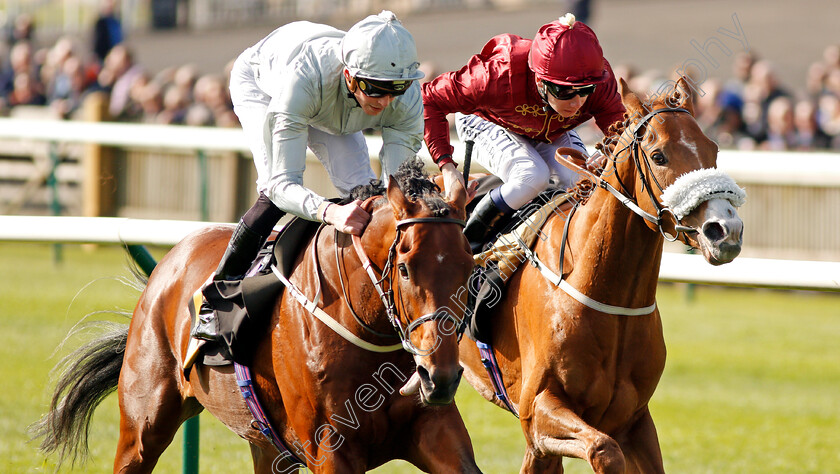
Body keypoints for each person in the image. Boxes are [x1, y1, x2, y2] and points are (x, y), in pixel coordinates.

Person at [192, 11, 426, 341]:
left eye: (396, 89)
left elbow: (398, 188)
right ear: (350, 76)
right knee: (272, 195)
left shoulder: (406, 98)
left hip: (330, 98)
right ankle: (214, 302)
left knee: (366, 192)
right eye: (376, 89)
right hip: (266, 86)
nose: (386, 101)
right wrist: (331, 212)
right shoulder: (303, 81)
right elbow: (281, 186)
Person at [422, 13, 625, 251]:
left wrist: (613, 149)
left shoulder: (601, 81)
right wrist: (446, 167)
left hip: (548, 128)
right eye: (565, 91)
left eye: (585, 90)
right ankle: (468, 248)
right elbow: (430, 99)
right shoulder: (497, 73)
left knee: (582, 181)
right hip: (486, 120)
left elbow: (622, 132)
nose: (577, 102)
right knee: (531, 174)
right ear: (540, 80)